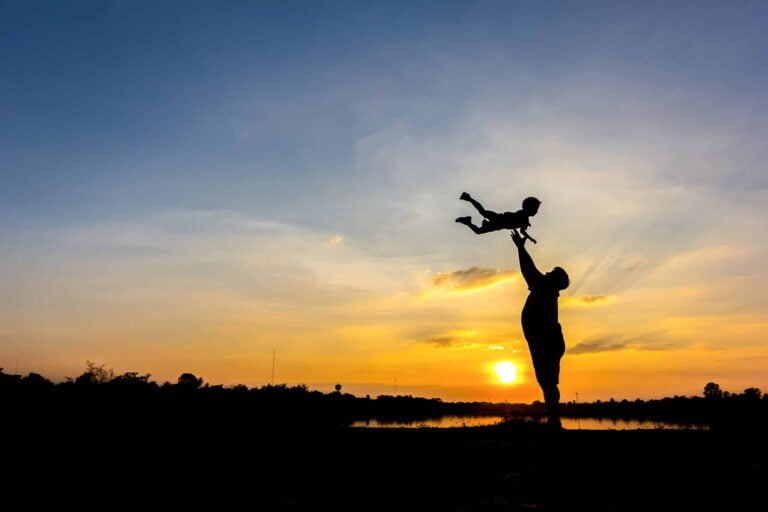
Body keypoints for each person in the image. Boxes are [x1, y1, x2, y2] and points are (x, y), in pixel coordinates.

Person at [510, 228, 569, 428]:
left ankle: (554, 419)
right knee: (548, 382)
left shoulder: (544, 287)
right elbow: (531, 270)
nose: (546, 273)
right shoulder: (547, 289)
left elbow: (528, 268)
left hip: (546, 341)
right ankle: (553, 418)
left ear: (554, 279)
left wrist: (520, 248)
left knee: (548, 382)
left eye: (550, 272)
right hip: (548, 341)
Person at [456, 192, 541, 243]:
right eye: (535, 209)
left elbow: (522, 231)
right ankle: (468, 198)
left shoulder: (525, 219)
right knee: (483, 213)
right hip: (500, 219)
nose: (536, 212)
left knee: (478, 230)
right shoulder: (524, 217)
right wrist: (529, 236)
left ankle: (467, 221)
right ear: (528, 208)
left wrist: (530, 238)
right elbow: (521, 222)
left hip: (498, 225)